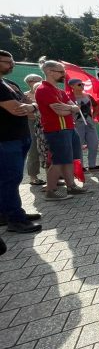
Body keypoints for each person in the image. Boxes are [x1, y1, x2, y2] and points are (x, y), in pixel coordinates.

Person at [0, 50, 42, 233]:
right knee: (10, 179)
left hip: (20, 136)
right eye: (7, 61)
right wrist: (31, 106)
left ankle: (8, 212)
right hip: (5, 139)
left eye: (12, 61)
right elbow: (17, 109)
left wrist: (31, 106)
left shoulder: (9, 83)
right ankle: (15, 220)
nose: (12, 64)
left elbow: (30, 105)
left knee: (12, 178)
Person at [34, 58, 88, 200]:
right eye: (61, 72)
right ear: (49, 72)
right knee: (58, 161)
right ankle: (50, 191)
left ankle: (71, 187)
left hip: (69, 128)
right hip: (57, 130)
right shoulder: (43, 89)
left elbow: (72, 107)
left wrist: (69, 108)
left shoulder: (59, 91)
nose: (64, 74)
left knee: (68, 159)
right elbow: (61, 111)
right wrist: (71, 109)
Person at [69, 78, 99, 172]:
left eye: (83, 84)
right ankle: (80, 167)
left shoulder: (88, 95)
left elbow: (96, 106)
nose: (82, 86)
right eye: (79, 84)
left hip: (89, 124)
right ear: (72, 86)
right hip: (77, 124)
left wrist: (93, 116)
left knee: (94, 144)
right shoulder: (69, 97)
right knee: (78, 145)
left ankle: (92, 165)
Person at [24, 73, 45, 185]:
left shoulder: (45, 94)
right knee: (33, 149)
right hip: (31, 124)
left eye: (40, 79)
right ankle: (33, 176)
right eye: (35, 80)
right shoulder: (24, 96)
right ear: (29, 82)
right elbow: (23, 112)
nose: (39, 81)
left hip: (46, 123)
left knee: (49, 148)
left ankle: (54, 175)